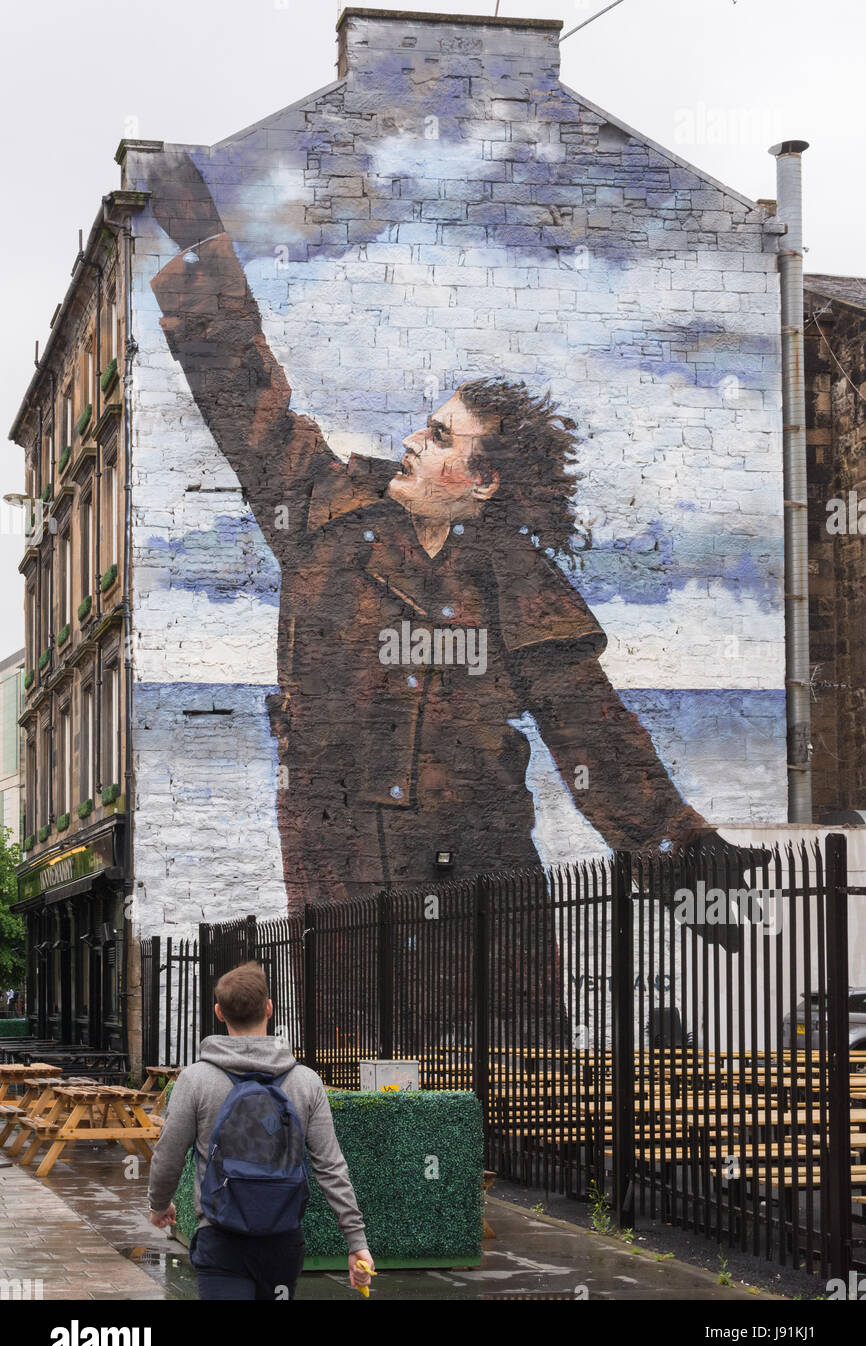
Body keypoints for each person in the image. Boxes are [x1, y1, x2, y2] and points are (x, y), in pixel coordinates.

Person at [146, 150, 721, 914]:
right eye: (425, 427)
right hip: (342, 883)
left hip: (486, 895)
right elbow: (241, 393)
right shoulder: (321, 506)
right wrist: (202, 246)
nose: (414, 442)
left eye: (442, 437)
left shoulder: (518, 581)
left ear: (482, 484)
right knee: (352, 1035)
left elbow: (597, 743)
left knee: (510, 1037)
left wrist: (699, 879)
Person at [147, 962, 375, 1300]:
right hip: (281, 1240)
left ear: (219, 1013)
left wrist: (159, 1203)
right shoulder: (305, 1081)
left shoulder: (195, 1080)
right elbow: (330, 1166)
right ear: (269, 1008)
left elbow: (169, 1154)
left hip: (220, 1236)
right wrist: (357, 1242)